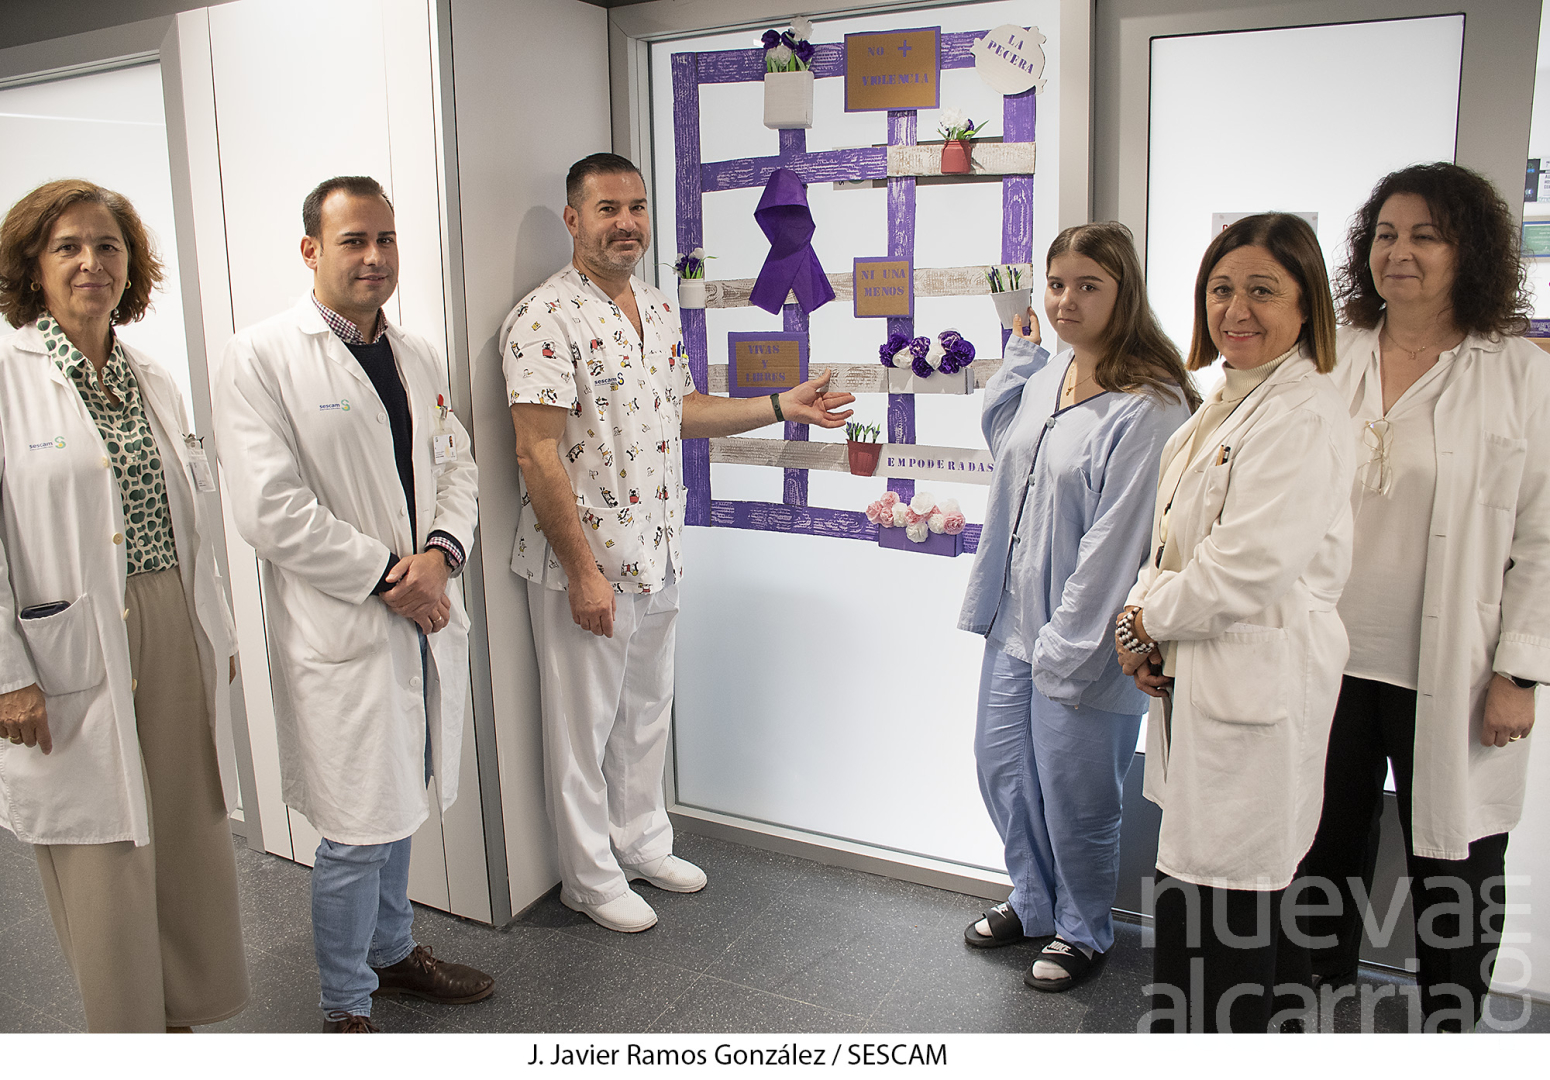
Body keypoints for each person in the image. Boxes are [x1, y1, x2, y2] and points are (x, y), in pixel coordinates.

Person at [504, 152, 854, 933]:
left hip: (657, 547)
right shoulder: (543, 319)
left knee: (645, 712)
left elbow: (681, 409)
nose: (626, 223)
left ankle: (641, 842)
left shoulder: (658, 311)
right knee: (581, 730)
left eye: (636, 207)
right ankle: (589, 879)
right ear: (573, 219)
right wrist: (582, 573)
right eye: (607, 209)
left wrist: (779, 406)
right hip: (587, 562)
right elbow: (535, 453)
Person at [214, 176, 487, 1032]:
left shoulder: (417, 353)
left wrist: (441, 556)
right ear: (311, 251)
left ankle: (392, 953)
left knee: (399, 799)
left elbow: (456, 463)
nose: (374, 257)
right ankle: (345, 1006)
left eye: (385, 239)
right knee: (355, 828)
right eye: (353, 241)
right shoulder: (260, 356)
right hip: (346, 622)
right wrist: (391, 577)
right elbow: (269, 509)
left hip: (421, 610)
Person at [1300, 163, 1548, 1032]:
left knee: (1457, 870)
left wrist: (1521, 671)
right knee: (1321, 848)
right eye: (1386, 234)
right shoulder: (1329, 356)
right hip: (1328, 656)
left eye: (1426, 236)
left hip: (1457, 670)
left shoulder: (1519, 373)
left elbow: (1544, 537)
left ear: (1468, 251)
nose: (1399, 253)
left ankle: (1452, 1029)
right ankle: (1313, 1003)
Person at [0, 179, 247, 1031]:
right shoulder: (7, 379)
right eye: (67, 246)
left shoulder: (151, 376)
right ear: (33, 265)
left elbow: (193, 519)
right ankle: (128, 1031)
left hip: (170, 617)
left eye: (108, 246)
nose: (91, 263)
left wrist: (215, 628)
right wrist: (7, 677)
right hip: (65, 643)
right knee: (102, 849)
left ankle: (183, 1013)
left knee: (184, 822)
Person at [1116, 213, 1355, 1033]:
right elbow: (1171, 541)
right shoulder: (1224, 402)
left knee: (1231, 921)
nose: (1235, 309)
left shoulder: (1304, 412)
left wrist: (1142, 620)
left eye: (1262, 290)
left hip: (1253, 687)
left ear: (1306, 304)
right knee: (1217, 907)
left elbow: (1245, 567)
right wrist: (1141, 620)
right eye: (1221, 289)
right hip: (1203, 679)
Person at [957, 222, 1196, 992]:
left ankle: (1083, 929)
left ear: (1124, 293)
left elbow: (1117, 544)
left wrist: (1068, 645)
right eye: (1058, 283)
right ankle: (1032, 900)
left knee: (1079, 797)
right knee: (1002, 770)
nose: (1066, 300)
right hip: (1014, 622)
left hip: (1089, 639)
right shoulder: (1053, 371)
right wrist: (1019, 359)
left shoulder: (1151, 404)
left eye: (1088, 285)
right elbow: (1009, 446)